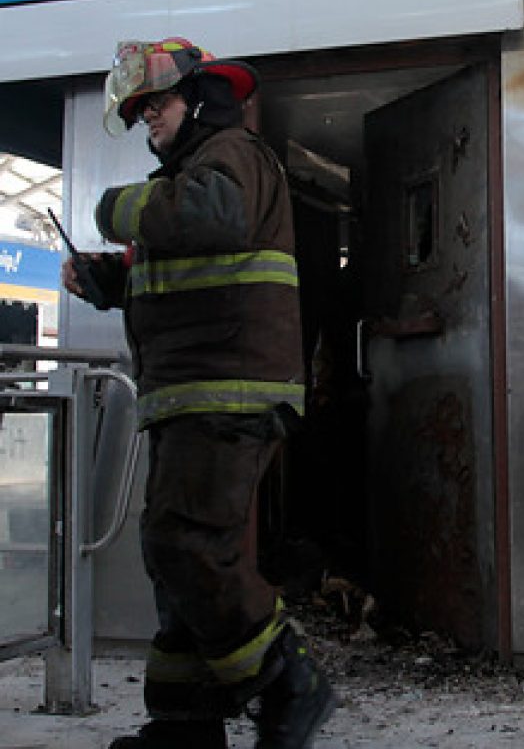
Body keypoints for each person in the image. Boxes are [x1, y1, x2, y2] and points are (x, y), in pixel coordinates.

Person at [60, 38, 337, 748]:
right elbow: (190, 269)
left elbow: (214, 215)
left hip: (226, 392)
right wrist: (109, 281)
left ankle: (289, 680)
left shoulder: (231, 156)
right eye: (139, 110)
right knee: (174, 551)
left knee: (185, 544)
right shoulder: (195, 173)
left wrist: (114, 209)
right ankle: (184, 725)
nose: (146, 118)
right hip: (197, 393)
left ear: (201, 97)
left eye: (156, 103)